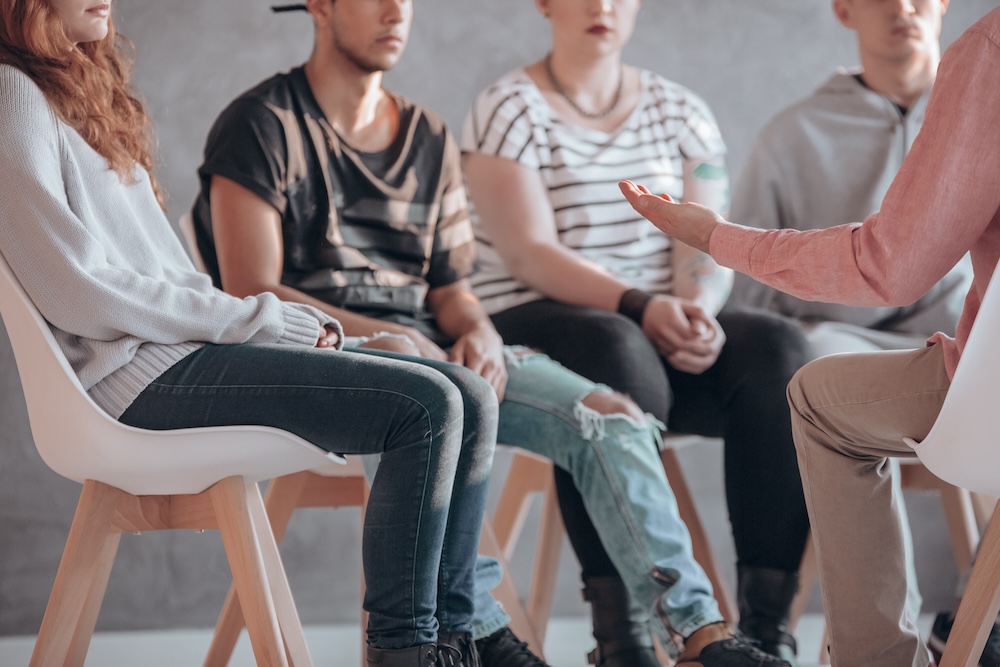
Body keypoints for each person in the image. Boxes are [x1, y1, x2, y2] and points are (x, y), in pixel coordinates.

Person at [189, 1, 792, 666]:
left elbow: (448, 286)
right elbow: (251, 288)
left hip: (431, 350)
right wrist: (388, 334)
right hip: (321, 352)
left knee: (610, 416)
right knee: (420, 401)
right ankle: (479, 631)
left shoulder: (427, 134)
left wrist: (474, 326)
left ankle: (699, 634)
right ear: (322, 6)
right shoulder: (260, 124)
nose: (396, 11)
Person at [0, 2, 504, 666]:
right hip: (136, 380)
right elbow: (79, 288)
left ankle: (455, 642)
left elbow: (174, 286)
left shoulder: (80, 92)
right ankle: (406, 652)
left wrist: (338, 341)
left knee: (467, 389)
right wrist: (273, 322)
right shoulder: (14, 92)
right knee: (425, 405)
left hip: (183, 357)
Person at [619, 6, 1000, 665]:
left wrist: (713, 235)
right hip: (867, 340)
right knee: (807, 354)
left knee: (820, 398)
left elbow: (889, 265)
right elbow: (772, 305)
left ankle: (877, 654)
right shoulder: (793, 133)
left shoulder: (987, 55)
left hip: (980, 390)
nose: (901, 8)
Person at [461, 0, 811, 663]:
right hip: (539, 320)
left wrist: (698, 308)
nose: (602, 6)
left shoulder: (680, 111)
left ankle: (763, 633)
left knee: (779, 348)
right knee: (615, 350)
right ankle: (624, 637)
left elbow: (705, 244)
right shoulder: (507, 108)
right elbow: (528, 252)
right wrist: (641, 305)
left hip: (655, 325)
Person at [727, 0, 975, 652]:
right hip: (840, 333)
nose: (901, 7)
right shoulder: (792, 134)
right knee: (817, 375)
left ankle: (976, 614)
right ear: (843, 11)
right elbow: (754, 297)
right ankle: (805, 628)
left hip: (966, 338)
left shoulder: (979, 104)